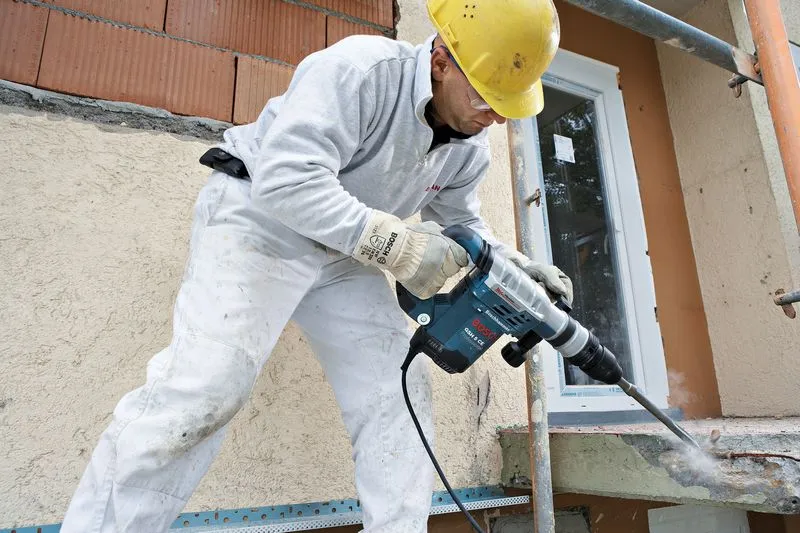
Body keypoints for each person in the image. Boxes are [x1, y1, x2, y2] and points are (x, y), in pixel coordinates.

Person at [60, 0, 568, 531]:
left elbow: (462, 222)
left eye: (508, 102)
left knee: (400, 388)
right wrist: (400, 249)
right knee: (210, 384)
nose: (498, 115)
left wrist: (511, 267)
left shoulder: (469, 146)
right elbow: (287, 178)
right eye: (488, 95)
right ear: (442, 59)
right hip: (260, 217)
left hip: (343, 251)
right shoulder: (361, 71)